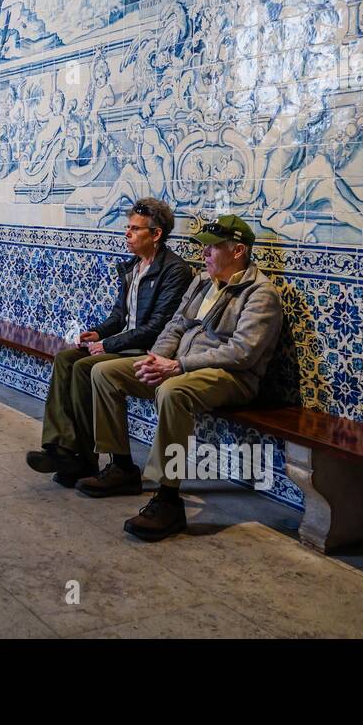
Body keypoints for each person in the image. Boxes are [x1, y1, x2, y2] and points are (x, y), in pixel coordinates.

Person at [91, 215, 283, 541]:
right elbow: (176, 325)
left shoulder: (260, 294)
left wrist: (179, 366)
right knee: (104, 372)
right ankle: (122, 466)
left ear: (238, 251)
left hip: (231, 378)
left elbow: (241, 353)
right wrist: (158, 358)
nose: (204, 255)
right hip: (182, 366)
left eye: (212, 249)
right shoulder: (202, 283)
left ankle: (167, 500)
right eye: (203, 249)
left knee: (172, 391)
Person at [25, 198, 193, 489]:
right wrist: (97, 333)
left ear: (156, 234)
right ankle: (60, 448)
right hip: (124, 345)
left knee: (85, 368)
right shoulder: (133, 267)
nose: (127, 234)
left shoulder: (174, 271)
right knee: (66, 359)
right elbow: (119, 315)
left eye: (135, 229)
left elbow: (156, 328)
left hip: (147, 351)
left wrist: (108, 345)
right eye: (127, 227)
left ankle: (90, 459)